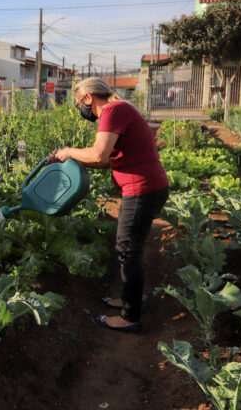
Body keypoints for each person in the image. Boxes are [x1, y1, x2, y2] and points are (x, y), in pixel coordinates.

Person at [49, 77, 169, 333]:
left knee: (128, 250)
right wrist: (71, 160)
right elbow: (104, 161)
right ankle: (128, 300)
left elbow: (99, 154)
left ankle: (130, 317)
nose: (80, 108)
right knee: (130, 248)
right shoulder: (119, 110)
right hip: (146, 187)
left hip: (142, 189)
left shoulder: (113, 110)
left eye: (79, 103)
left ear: (89, 97)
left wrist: (69, 151)